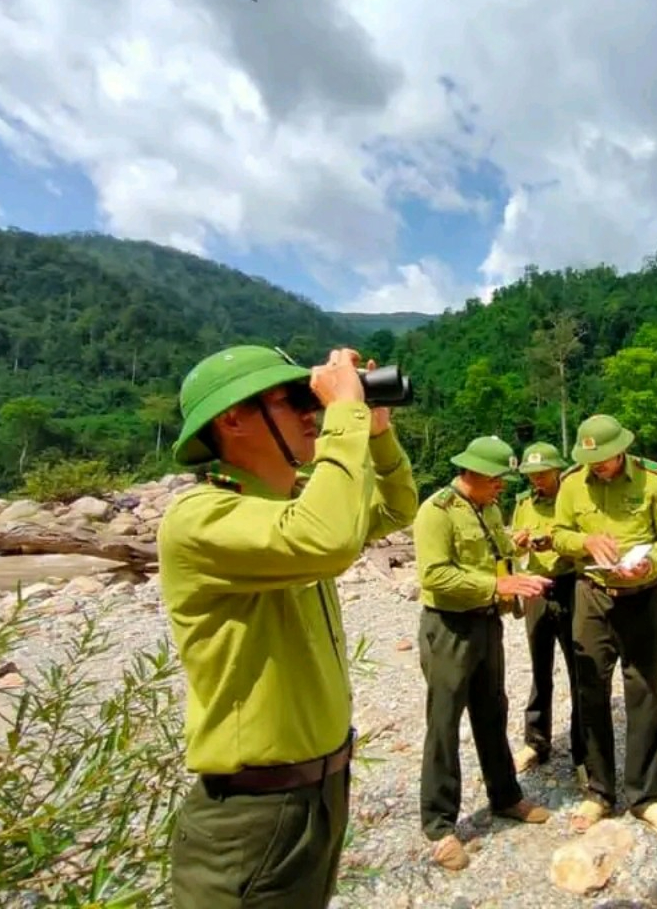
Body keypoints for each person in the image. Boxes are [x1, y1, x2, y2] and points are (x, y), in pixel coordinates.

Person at [157, 344, 419, 908]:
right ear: (231, 420)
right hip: (252, 815)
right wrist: (344, 412)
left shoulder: (290, 506)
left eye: (314, 399)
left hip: (319, 794)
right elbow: (328, 539)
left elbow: (398, 511)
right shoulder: (199, 517)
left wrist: (375, 431)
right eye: (295, 400)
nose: (311, 412)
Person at [412, 435, 554, 871]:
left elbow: (494, 551)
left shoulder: (489, 508)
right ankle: (439, 825)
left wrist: (520, 547)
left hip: (486, 623)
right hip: (449, 627)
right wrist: (498, 585)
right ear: (472, 473)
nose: (503, 488)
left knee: (492, 712)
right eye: (496, 479)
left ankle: (505, 796)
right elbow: (435, 575)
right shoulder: (436, 511)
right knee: (444, 724)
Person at [550, 413, 657, 840]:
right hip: (592, 596)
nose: (598, 468)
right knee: (590, 689)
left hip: (643, 597)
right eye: (591, 461)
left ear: (621, 451)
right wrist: (584, 542)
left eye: (605, 460)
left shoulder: (653, 480)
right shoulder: (572, 483)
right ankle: (599, 792)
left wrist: (652, 562)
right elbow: (558, 534)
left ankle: (645, 797)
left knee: (644, 691)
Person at [509, 441, 587, 787]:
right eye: (532, 474)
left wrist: (556, 542)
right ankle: (536, 743)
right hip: (536, 591)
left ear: (557, 471)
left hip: (571, 586)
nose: (538, 480)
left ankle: (584, 753)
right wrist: (520, 543)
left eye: (543, 473)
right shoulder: (523, 504)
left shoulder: (574, 499)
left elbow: (585, 540)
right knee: (540, 671)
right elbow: (511, 543)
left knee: (580, 671)